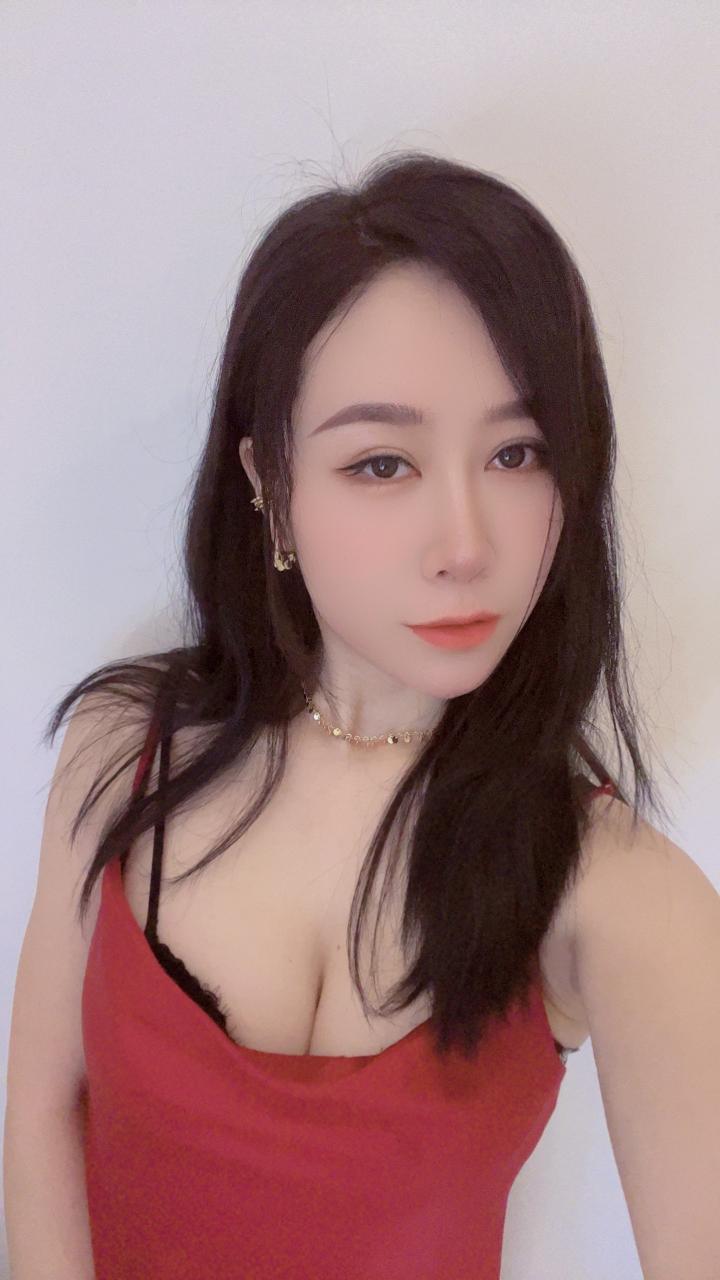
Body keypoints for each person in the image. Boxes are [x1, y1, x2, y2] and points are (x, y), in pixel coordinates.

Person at [8, 151, 714, 1280]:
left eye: (518, 452)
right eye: (382, 463)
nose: (466, 544)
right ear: (268, 483)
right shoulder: (125, 751)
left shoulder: (619, 893)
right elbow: (44, 1110)